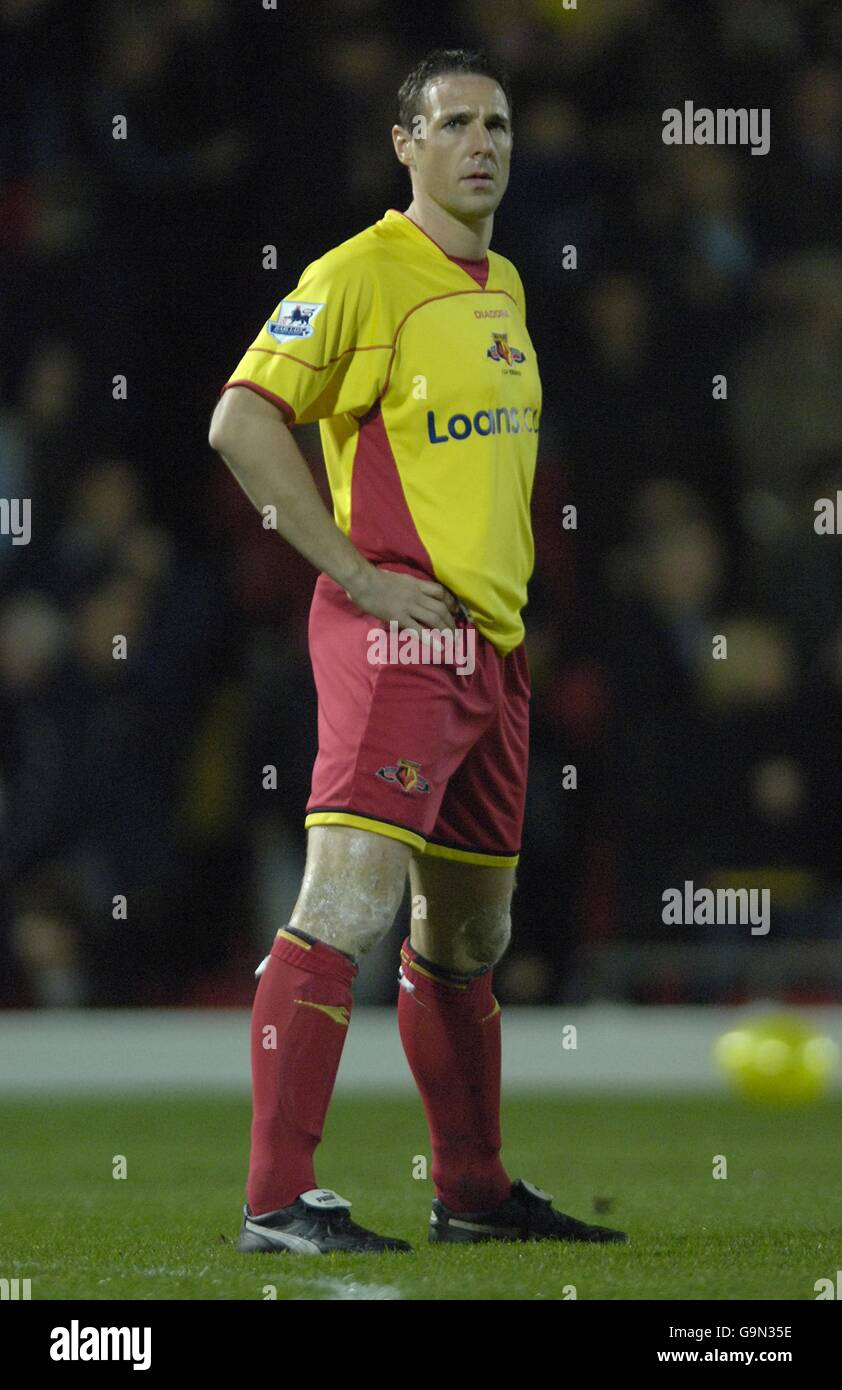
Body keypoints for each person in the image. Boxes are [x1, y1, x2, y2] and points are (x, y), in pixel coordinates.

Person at [209, 48, 627, 1254]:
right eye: (451, 123)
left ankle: (473, 1192)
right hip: (399, 636)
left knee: (467, 939)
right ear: (405, 144)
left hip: (489, 650)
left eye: (494, 123)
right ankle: (276, 1199)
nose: (480, 143)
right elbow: (239, 420)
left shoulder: (501, 283)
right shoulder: (358, 273)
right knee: (346, 902)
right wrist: (351, 573)